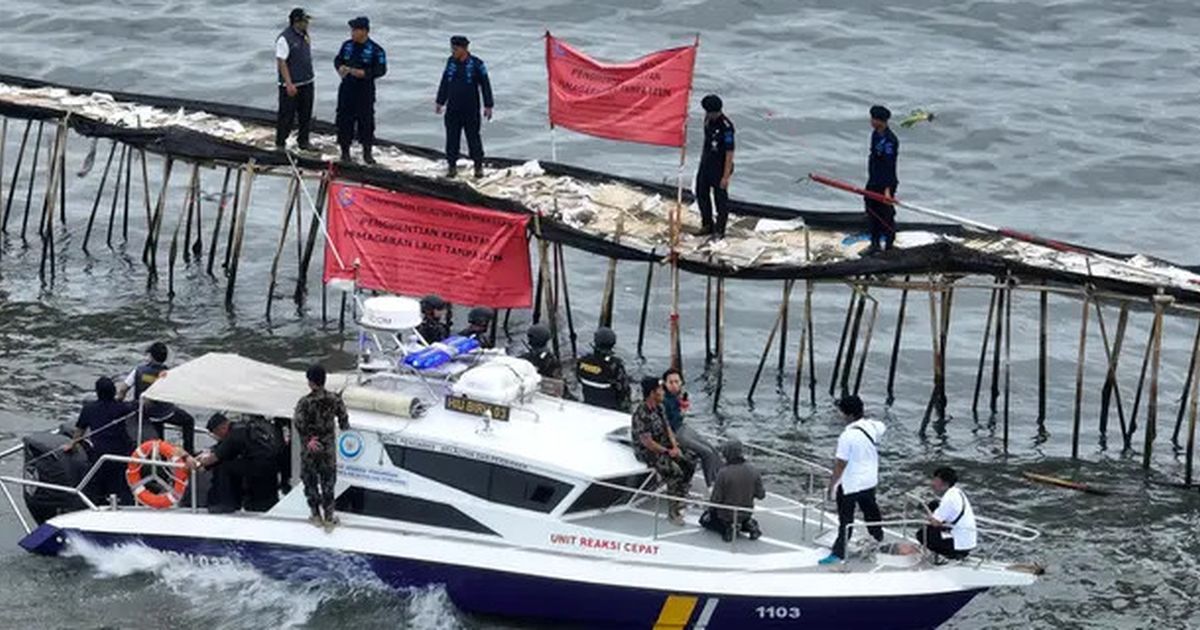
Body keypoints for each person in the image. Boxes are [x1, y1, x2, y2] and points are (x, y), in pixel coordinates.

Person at [820, 394, 887, 565]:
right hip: (869, 480)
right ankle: (877, 537)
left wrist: (832, 485)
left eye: (841, 413)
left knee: (846, 519)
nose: (840, 416)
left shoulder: (847, 436)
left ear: (848, 415)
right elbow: (882, 427)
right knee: (871, 511)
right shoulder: (873, 427)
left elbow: (840, 464)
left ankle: (839, 553)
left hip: (850, 484)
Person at [630, 376, 693, 525]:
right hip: (648, 451)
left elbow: (668, 428)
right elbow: (648, 442)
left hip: (663, 443)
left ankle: (681, 494)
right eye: (660, 390)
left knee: (690, 459)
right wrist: (667, 452)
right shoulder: (641, 414)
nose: (663, 392)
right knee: (674, 472)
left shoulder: (660, 407)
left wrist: (675, 446)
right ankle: (673, 512)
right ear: (652, 393)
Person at [294, 364, 350, 529]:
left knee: (310, 481)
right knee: (328, 482)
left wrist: (308, 440)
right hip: (327, 449)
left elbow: (298, 423)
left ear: (310, 382)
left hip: (310, 448)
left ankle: (315, 515)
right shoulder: (335, 399)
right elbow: (344, 421)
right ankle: (329, 518)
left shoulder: (304, 402)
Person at [117, 341, 196, 453]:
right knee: (188, 420)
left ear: (151, 356)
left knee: (159, 442)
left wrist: (119, 403)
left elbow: (122, 390)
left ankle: (161, 460)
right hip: (166, 412)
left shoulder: (138, 371)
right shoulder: (169, 373)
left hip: (145, 414)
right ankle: (189, 452)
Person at [194, 414, 281, 514]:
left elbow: (215, 458)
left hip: (258, 467)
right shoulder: (244, 428)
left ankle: (225, 504)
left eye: (216, 434)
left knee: (224, 467)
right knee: (233, 465)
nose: (218, 437)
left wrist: (195, 463)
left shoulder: (234, 434)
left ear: (222, 427)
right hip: (271, 466)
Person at [68, 377, 136, 505]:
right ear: (113, 391)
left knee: (97, 483)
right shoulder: (123, 408)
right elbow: (138, 407)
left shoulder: (89, 409)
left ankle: (98, 502)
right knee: (123, 485)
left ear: (97, 392)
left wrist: (72, 444)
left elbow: (79, 431)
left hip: (100, 454)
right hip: (123, 453)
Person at [435, 35, 494, 179]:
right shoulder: (451, 62)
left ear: (464, 49)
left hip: (470, 109)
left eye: (455, 49)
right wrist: (440, 101)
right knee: (452, 139)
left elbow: (485, 85)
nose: (453, 51)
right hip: (453, 109)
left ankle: (478, 167)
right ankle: (452, 167)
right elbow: (445, 81)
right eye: (452, 48)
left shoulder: (477, 64)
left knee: (473, 139)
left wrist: (488, 105)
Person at [334, 16, 387, 164]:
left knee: (366, 122)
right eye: (352, 30)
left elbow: (381, 69)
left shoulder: (376, 50)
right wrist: (340, 68)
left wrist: (365, 74)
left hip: (365, 91)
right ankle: (345, 152)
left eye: (355, 30)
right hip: (347, 89)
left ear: (364, 31)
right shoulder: (347, 45)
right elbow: (338, 59)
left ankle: (367, 153)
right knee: (344, 121)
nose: (352, 33)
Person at [662, 368, 722, 487]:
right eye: (671, 382)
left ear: (681, 382)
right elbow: (666, 423)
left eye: (676, 382)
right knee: (706, 453)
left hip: (682, 426)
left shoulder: (676, 396)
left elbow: (678, 415)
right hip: (675, 433)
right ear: (665, 383)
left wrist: (682, 408)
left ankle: (720, 482)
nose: (674, 385)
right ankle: (711, 487)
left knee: (712, 449)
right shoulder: (663, 399)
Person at [904, 466, 976, 561]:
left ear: (945, 483)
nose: (932, 483)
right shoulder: (957, 492)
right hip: (966, 540)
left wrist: (927, 516)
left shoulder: (949, 499)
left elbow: (935, 522)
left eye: (935, 480)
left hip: (959, 545)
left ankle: (944, 556)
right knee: (934, 505)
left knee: (922, 534)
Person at [701, 439, 764, 542]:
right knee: (743, 517)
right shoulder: (754, 470)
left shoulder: (723, 473)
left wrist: (708, 510)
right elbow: (761, 495)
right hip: (745, 513)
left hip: (726, 516)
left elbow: (716, 500)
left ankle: (727, 529)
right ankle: (749, 525)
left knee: (704, 520)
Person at [275, 8, 315, 151]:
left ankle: (303, 141)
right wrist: (288, 83)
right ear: (296, 22)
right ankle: (280, 142)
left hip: (307, 81)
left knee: (306, 114)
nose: (307, 24)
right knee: (287, 115)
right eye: (305, 21)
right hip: (291, 84)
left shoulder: (304, 35)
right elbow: (282, 62)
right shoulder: (284, 38)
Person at [695, 94, 735, 239]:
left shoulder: (726, 127)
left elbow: (730, 153)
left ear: (715, 112)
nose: (707, 115)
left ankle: (720, 230)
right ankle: (707, 224)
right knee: (701, 193)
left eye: (709, 112)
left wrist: (725, 176)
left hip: (720, 166)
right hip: (706, 163)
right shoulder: (707, 120)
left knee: (720, 200)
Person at [865, 104, 899, 254]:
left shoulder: (890, 140)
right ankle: (874, 244)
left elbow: (889, 165)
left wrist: (887, 190)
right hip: (873, 180)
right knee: (871, 211)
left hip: (886, 183)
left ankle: (889, 246)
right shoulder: (875, 134)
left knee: (886, 214)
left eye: (874, 119)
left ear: (881, 121)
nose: (871, 121)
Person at [576, 327, 631, 412]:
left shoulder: (582, 361)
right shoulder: (615, 365)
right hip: (611, 409)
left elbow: (578, 378)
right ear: (613, 344)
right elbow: (625, 391)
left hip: (588, 403)